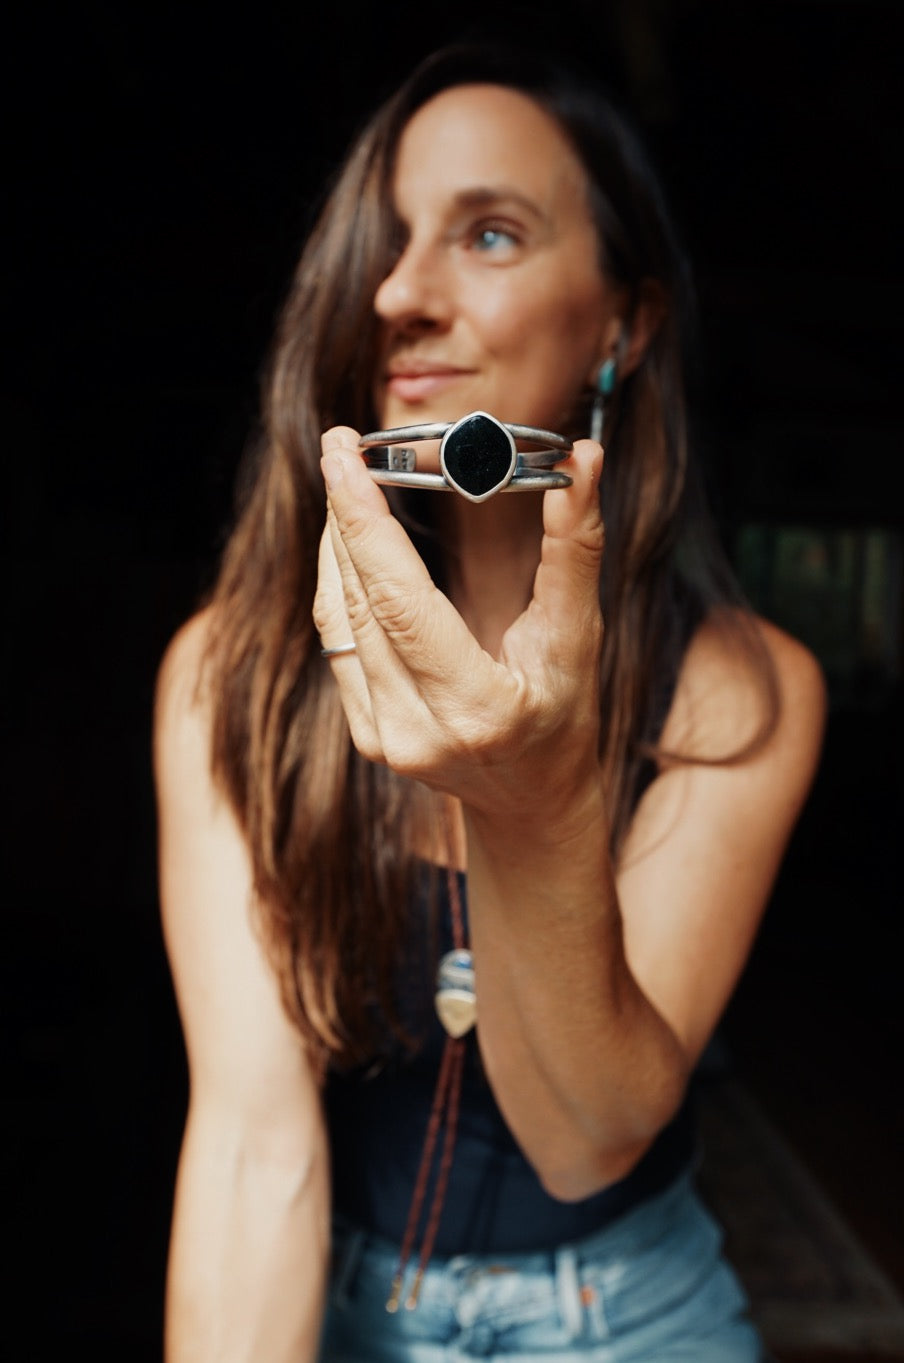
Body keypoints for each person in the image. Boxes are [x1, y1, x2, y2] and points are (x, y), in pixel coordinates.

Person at [153, 39, 826, 1363]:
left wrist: (531, 800)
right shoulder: (226, 675)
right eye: (388, 241)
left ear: (623, 326)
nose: (403, 290)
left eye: (492, 235)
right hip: (346, 1305)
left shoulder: (739, 690)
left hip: (635, 1314)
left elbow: (587, 1137)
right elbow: (252, 1152)